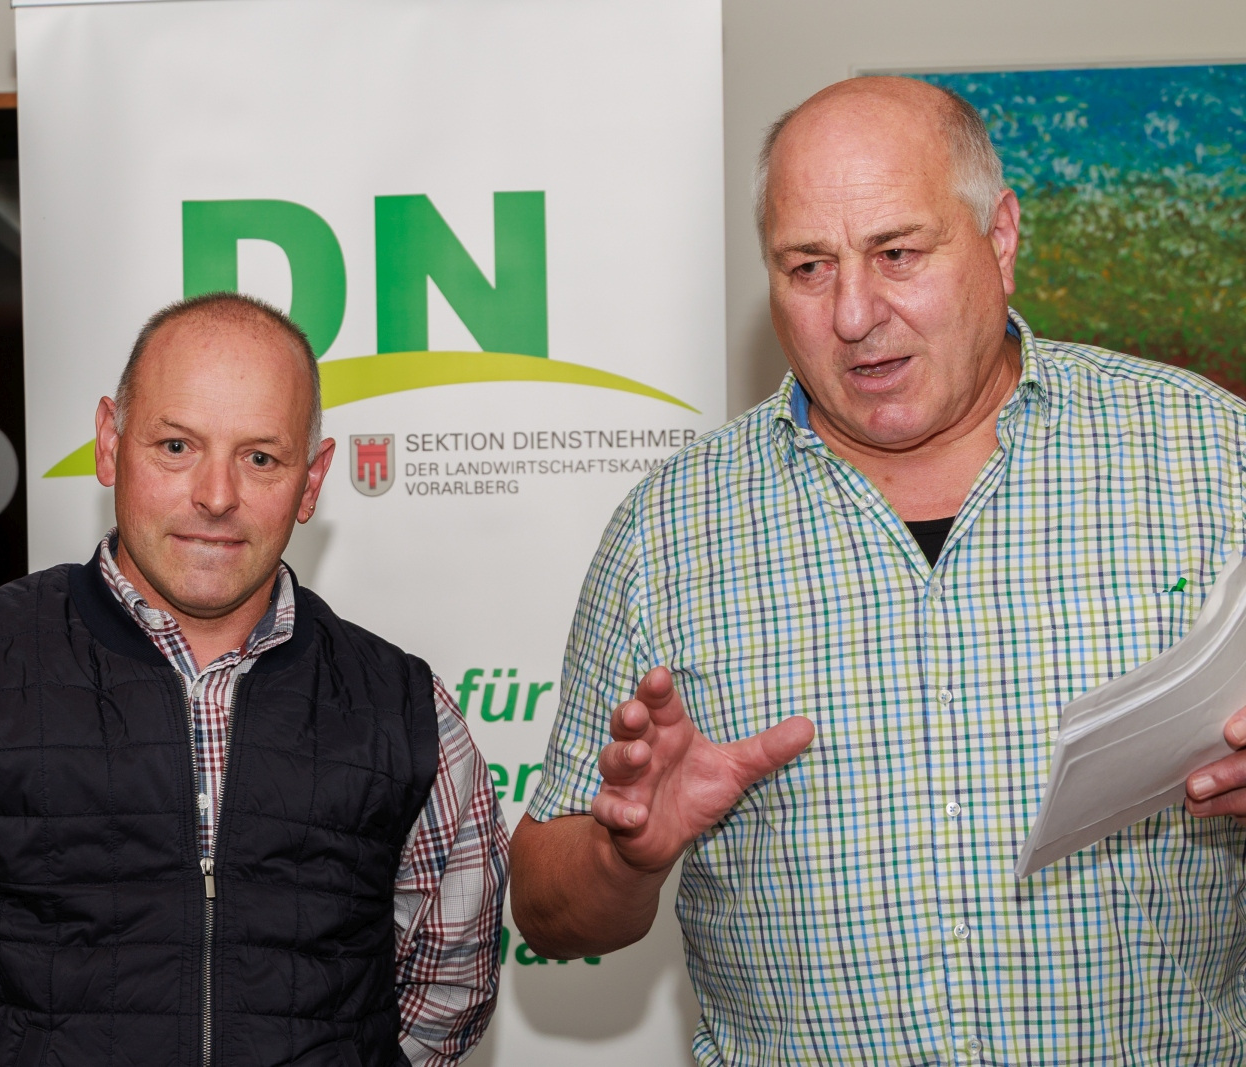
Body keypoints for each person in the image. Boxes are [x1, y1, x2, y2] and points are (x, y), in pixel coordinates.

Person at [510, 75, 1246, 1063]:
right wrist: (624, 848)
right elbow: (548, 909)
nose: (853, 313)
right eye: (808, 267)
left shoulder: (1211, 456)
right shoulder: (668, 528)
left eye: (897, 253)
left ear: (1000, 236)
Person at [0, 292, 507, 1067]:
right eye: (176, 445)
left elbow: (445, 1002)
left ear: (311, 481)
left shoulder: (407, 711)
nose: (217, 495)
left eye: (260, 458)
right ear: (110, 443)